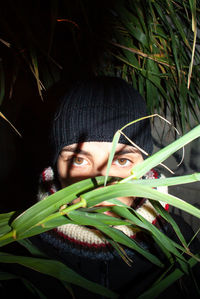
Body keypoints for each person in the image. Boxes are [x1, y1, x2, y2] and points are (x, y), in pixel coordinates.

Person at [31, 77, 199, 298]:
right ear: (56, 167)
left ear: (145, 165)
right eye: (79, 160)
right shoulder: (22, 250)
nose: (100, 186)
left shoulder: (183, 246)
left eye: (121, 161)